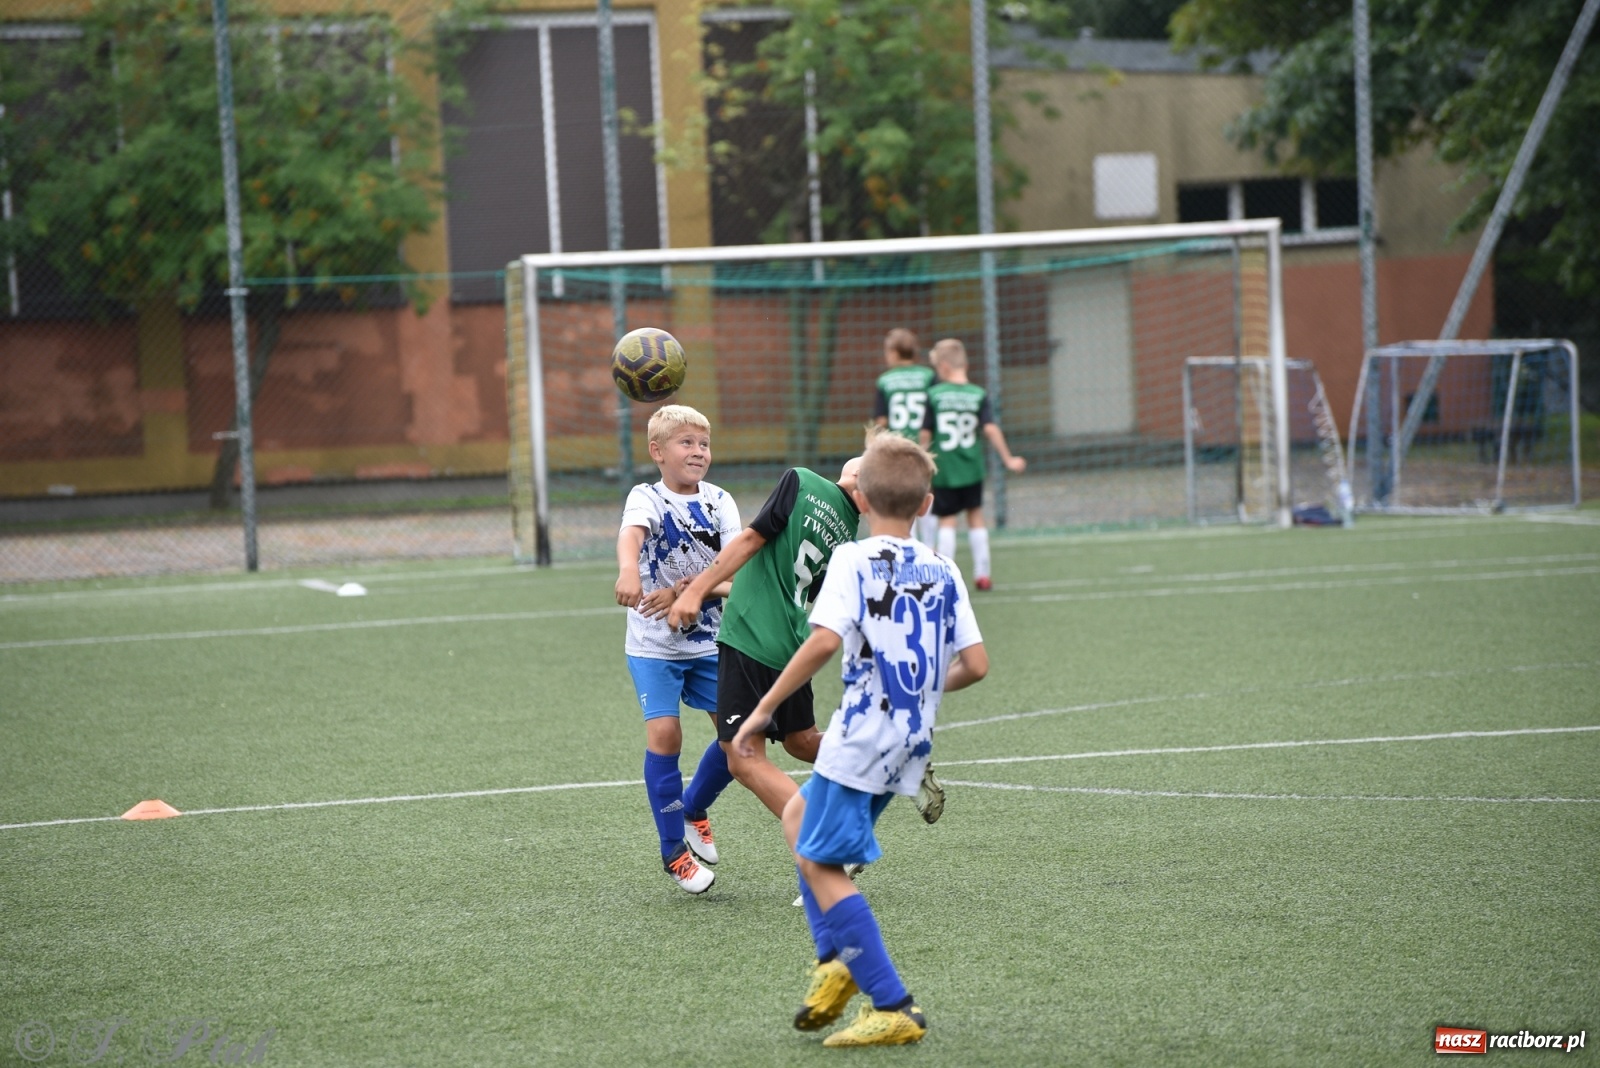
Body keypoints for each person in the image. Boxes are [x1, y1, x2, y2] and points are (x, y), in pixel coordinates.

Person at [731, 431, 989, 1048]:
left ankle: (890, 1001)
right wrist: (920, 692)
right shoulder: (945, 567)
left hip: (861, 732)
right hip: (909, 738)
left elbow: (821, 641)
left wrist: (764, 709)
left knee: (821, 863)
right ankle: (832, 963)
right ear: (927, 505)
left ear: (862, 498)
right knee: (798, 815)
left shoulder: (853, 557)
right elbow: (975, 665)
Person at [667, 457, 863, 831]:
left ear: (856, 475)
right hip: (792, 644)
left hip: (750, 636)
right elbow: (783, 587)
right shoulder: (848, 532)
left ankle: (826, 837)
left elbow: (753, 539)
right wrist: (706, 586)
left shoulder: (802, 479)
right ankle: (878, 750)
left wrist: (700, 589)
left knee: (742, 756)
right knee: (802, 741)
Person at [615, 405, 742, 895]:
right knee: (665, 736)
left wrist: (691, 591)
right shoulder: (645, 496)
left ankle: (693, 808)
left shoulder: (720, 501)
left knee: (737, 741)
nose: (698, 452)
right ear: (657, 451)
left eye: (704, 444)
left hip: (711, 642)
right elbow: (632, 535)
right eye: (686, 443)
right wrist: (629, 570)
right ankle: (673, 853)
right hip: (653, 646)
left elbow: (736, 567)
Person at [918, 337, 1026, 591]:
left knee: (947, 520)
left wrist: (921, 461)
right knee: (976, 517)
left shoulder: (934, 395)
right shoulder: (978, 395)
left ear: (943, 367)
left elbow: (925, 434)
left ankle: (944, 575)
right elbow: (990, 429)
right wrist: (1008, 458)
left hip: (944, 469)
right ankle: (983, 574)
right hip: (971, 469)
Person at [870, 328, 938, 546]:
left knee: (905, 494)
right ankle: (931, 545)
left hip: (897, 447)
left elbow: (882, 420)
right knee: (926, 492)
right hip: (925, 446)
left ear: (893, 352)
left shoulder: (885, 380)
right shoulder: (929, 376)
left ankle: (912, 543)